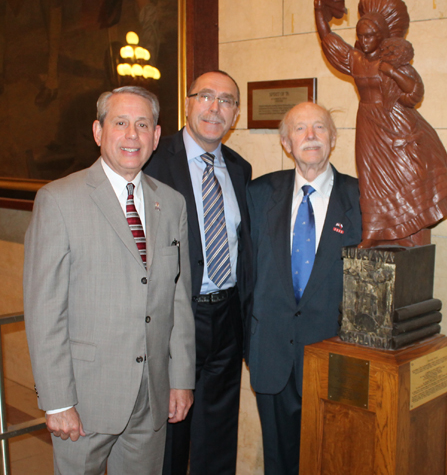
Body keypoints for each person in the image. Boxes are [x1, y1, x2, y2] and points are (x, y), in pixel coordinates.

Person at [23, 86, 196, 474]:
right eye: (120, 123)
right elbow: (44, 311)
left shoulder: (171, 203)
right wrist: (56, 401)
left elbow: (178, 300)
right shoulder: (59, 200)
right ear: (99, 132)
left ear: (156, 135)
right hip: (84, 398)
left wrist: (181, 379)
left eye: (142, 125)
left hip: (151, 396)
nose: (132, 135)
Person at [144, 70, 252, 475]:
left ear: (235, 114)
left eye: (226, 101)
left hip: (226, 318)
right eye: (205, 96)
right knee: (171, 436)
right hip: (175, 319)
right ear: (188, 103)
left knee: (218, 437)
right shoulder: (154, 160)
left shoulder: (241, 169)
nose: (215, 107)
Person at [247, 102, 362, 475]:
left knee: (332, 459)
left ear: (333, 138)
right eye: (299, 129)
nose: (310, 136)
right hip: (272, 356)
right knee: (278, 463)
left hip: (335, 360)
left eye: (319, 127)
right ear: (286, 142)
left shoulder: (362, 199)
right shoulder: (259, 194)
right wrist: (251, 342)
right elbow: (246, 275)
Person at [314, 0, 447, 248]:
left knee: (407, 175)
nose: (364, 41)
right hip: (368, 123)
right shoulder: (354, 60)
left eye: (370, 36)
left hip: (397, 123)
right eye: (361, 36)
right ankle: (374, 232)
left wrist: (392, 71)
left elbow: (415, 93)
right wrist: (319, 11)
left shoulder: (395, 62)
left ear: (383, 36)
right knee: (370, 179)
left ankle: (411, 231)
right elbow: (327, 38)